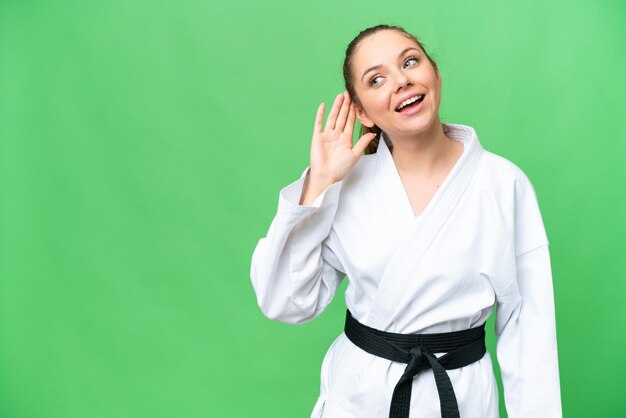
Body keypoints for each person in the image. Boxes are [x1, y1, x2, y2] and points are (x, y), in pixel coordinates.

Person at [250, 24, 562, 418]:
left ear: (435, 73)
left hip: (459, 397)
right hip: (360, 399)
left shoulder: (503, 184)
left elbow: (529, 327)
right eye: (377, 79)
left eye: (410, 61)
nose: (401, 81)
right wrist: (319, 184)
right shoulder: (344, 187)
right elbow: (285, 302)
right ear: (361, 110)